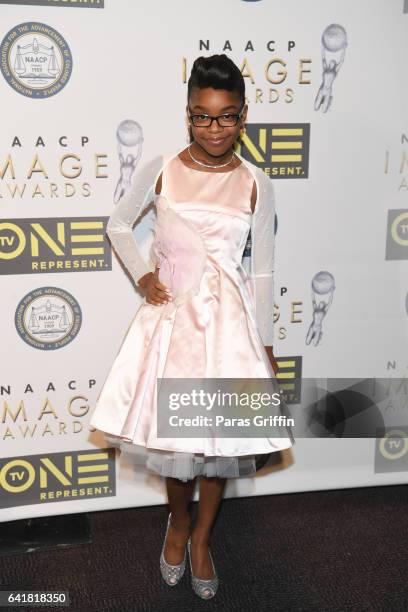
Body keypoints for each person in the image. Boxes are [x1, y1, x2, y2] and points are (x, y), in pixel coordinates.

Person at [89, 54, 294, 600]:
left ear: (243, 116)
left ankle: (203, 537)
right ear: (187, 115)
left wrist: (268, 343)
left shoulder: (257, 182)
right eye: (202, 116)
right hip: (172, 325)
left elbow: (264, 268)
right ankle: (178, 525)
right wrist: (143, 276)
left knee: (221, 443)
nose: (214, 128)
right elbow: (117, 224)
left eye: (226, 117)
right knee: (175, 446)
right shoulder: (161, 168)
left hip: (228, 329)